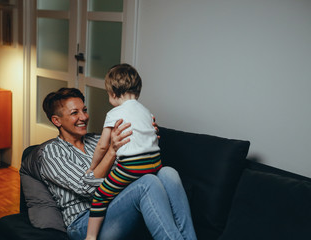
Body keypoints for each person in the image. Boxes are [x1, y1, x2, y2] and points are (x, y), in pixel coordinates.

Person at [41, 87, 197, 240]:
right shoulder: (52, 152)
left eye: (84, 110)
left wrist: (147, 136)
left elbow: (131, 172)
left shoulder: (97, 140)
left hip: (115, 205)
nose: (84, 117)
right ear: (56, 120)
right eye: (75, 113)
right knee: (146, 183)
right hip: (84, 223)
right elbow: (87, 188)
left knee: (168, 173)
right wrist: (112, 151)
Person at [86, 64, 162, 239]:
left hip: (133, 165)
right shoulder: (146, 111)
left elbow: (103, 146)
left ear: (113, 93)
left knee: (100, 195)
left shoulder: (115, 113)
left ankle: (90, 237)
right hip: (156, 162)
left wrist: (92, 166)